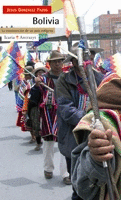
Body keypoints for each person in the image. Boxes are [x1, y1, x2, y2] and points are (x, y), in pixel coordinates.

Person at [55, 42, 104, 199]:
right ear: (74, 62)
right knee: (78, 180)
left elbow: (106, 103)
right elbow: (66, 109)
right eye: (83, 58)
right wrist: (89, 120)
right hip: (73, 136)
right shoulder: (64, 80)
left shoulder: (101, 78)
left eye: (90, 56)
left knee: (99, 178)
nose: (87, 60)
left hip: (98, 134)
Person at [71, 72, 121, 199]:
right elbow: (83, 187)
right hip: (83, 126)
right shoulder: (107, 116)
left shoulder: (97, 74)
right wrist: (96, 159)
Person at [35, 50, 71, 184]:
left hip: (65, 113)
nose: (58, 64)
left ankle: (66, 173)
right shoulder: (43, 79)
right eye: (55, 61)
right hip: (48, 115)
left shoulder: (67, 77)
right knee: (48, 143)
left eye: (60, 61)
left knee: (65, 143)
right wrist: (36, 84)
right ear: (49, 63)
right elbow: (34, 96)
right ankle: (48, 168)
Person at [27, 62, 48, 151]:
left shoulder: (48, 83)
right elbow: (32, 97)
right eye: (38, 73)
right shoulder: (33, 86)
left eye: (42, 73)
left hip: (47, 107)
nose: (40, 75)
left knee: (47, 125)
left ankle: (48, 141)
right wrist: (37, 86)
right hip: (36, 107)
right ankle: (38, 142)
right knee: (36, 126)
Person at [16, 66, 35, 142]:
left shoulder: (34, 82)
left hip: (33, 104)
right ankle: (32, 136)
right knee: (27, 120)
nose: (26, 76)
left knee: (35, 120)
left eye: (28, 75)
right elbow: (21, 93)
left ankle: (36, 136)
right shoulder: (23, 83)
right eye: (25, 75)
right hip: (26, 104)